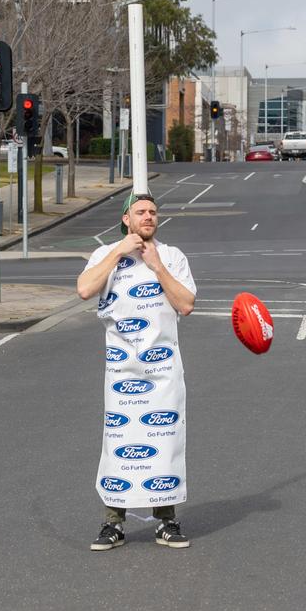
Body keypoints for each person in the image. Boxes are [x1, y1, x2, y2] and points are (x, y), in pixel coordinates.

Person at [76, 193, 195, 551]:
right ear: (126, 218)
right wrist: (117, 252)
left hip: (163, 371)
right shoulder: (105, 255)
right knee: (119, 445)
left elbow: (186, 304)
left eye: (153, 212)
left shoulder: (172, 256)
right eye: (140, 212)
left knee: (165, 444)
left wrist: (158, 266)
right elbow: (84, 289)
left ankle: (167, 520)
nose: (148, 217)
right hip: (122, 371)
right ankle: (113, 523)